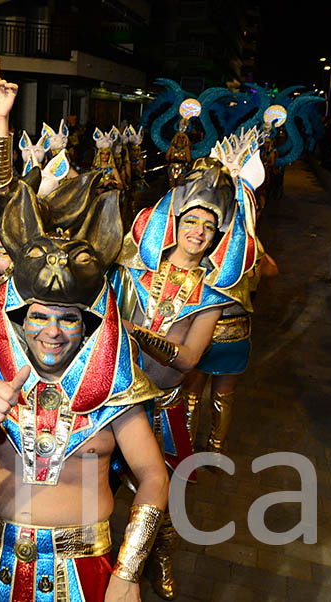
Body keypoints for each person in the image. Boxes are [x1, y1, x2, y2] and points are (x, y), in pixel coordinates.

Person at [0, 57, 169, 602]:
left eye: (69, 318)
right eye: (39, 316)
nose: (52, 331)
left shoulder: (114, 388)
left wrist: (127, 573)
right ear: (20, 314)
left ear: (89, 320)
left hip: (86, 570)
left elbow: (153, 478)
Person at [110, 131, 262, 599]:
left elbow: (191, 357)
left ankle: (162, 561)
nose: (198, 232)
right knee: (96, 485)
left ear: (219, 235)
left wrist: (135, 333)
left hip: (161, 405)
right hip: (113, 396)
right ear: (176, 221)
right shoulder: (132, 265)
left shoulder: (214, 292)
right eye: (191, 220)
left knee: (161, 495)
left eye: (209, 227)